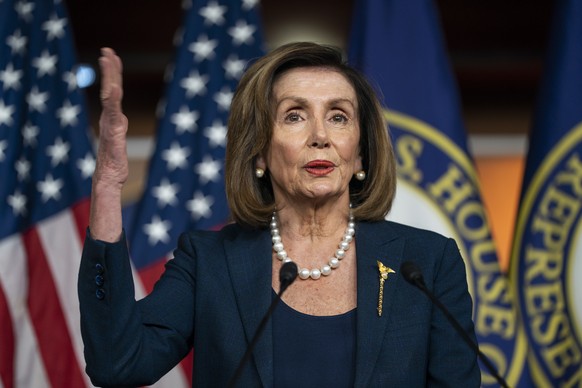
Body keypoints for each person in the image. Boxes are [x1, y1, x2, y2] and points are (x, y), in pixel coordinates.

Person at [78, 42, 480, 387]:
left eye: (338, 116)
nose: (320, 135)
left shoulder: (427, 263)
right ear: (258, 152)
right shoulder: (209, 261)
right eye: (295, 115)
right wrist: (108, 186)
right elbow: (118, 363)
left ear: (360, 154)